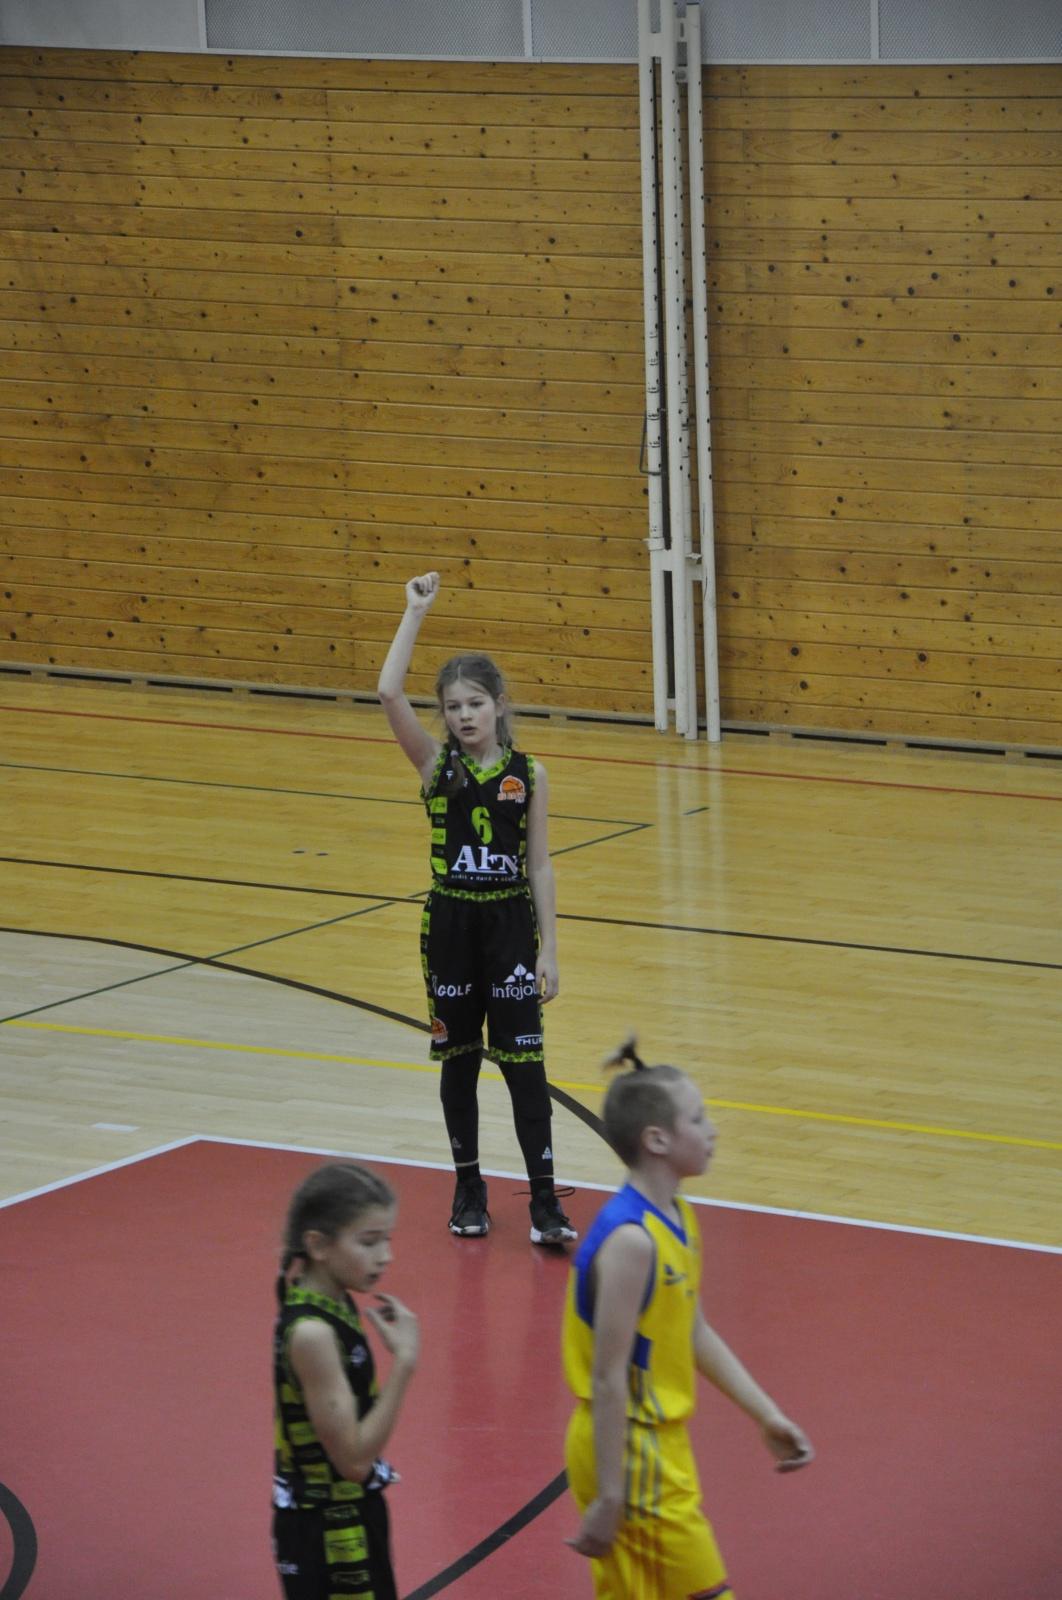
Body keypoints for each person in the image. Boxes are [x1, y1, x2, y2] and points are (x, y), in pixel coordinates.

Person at [563, 1039, 813, 1599]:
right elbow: (606, 1377)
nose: (712, 1130)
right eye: (698, 1119)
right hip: (630, 1449)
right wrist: (610, 1494)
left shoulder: (678, 1216)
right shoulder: (632, 1242)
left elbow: (693, 1330)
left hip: (659, 1445)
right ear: (657, 1140)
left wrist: (766, 1414)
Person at [377, 570, 577, 1246]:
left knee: (526, 1068)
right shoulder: (437, 768)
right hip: (451, 928)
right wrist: (414, 612)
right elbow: (388, 692)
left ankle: (545, 1201)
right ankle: (469, 1188)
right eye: (453, 706)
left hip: (509, 929)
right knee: (459, 1063)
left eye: (475, 703)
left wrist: (550, 950)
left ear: (498, 705)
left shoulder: (529, 773)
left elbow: (539, 865)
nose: (464, 716)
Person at [272, 1162, 419, 1600]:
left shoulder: (334, 1301)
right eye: (369, 1242)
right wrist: (405, 1362)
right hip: (328, 1531)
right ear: (318, 1244)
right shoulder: (313, 1333)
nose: (385, 1256)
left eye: (387, 1240)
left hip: (350, 1514)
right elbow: (353, 1462)